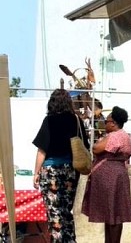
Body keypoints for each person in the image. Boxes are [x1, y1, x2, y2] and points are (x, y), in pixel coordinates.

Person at [32, 88, 88, 242]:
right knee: (65, 212)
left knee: (54, 213)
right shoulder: (76, 120)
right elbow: (85, 145)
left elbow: (41, 150)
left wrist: (36, 173)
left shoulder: (49, 121)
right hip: (70, 171)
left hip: (51, 171)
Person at [81, 106, 131, 243]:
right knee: (110, 214)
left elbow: (96, 148)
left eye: (107, 121)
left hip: (112, 178)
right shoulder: (123, 135)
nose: (105, 123)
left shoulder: (116, 136)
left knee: (114, 214)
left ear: (113, 123)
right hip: (115, 176)